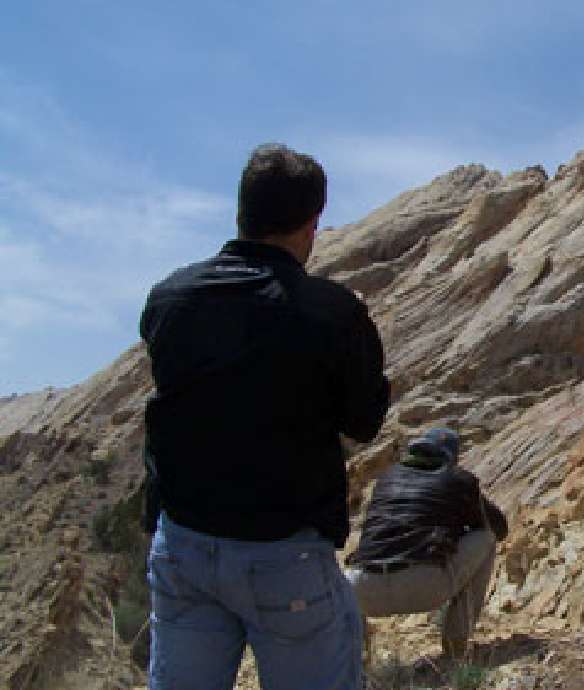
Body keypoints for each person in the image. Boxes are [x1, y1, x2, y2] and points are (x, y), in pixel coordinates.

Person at [140, 143, 390, 690]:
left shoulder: (169, 299)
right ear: (311, 225)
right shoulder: (331, 310)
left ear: (241, 213)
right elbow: (365, 420)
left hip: (183, 544)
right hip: (283, 552)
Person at [345, 428, 508, 658]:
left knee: (344, 582)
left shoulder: (386, 479)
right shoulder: (458, 480)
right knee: (486, 537)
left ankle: (357, 659)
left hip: (365, 590)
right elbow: (499, 527)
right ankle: (456, 645)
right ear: (450, 456)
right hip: (423, 587)